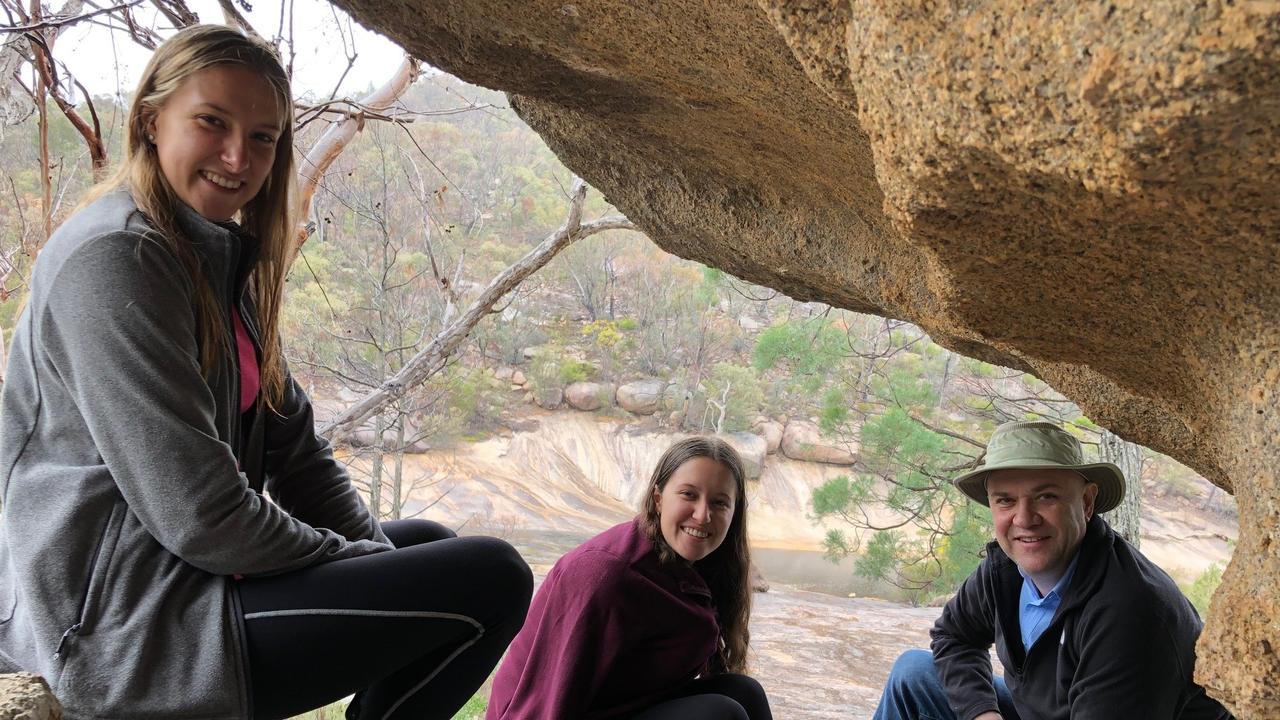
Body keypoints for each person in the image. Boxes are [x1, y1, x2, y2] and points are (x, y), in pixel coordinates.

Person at [0, 25, 532, 720]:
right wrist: (353, 562)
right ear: (152, 120)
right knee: (492, 577)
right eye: (212, 122)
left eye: (263, 137)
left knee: (428, 548)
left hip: (183, 582)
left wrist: (368, 557)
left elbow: (298, 456)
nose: (236, 156)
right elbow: (201, 517)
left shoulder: (218, 257)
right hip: (118, 628)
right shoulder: (117, 260)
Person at [872, 420, 1233, 720]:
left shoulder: (1130, 610)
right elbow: (954, 637)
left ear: (1087, 502)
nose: (1024, 519)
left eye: (1046, 497)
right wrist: (983, 714)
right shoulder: (1005, 569)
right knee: (914, 674)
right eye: (1005, 500)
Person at [487, 436, 773, 720]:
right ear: (658, 499)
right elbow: (548, 693)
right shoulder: (605, 575)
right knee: (721, 714)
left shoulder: (704, 569)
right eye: (688, 494)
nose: (702, 515)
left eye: (720, 503)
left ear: (734, 514)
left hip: (627, 707)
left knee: (744, 691)